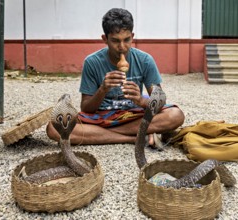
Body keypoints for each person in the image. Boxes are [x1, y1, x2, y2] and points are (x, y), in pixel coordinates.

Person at [46, 8, 185, 145]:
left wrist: (141, 100)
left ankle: (105, 135)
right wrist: (102, 90)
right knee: (53, 128)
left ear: (133, 36)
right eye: (115, 41)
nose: (122, 47)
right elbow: (86, 109)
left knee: (175, 115)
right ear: (104, 39)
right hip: (101, 118)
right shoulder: (92, 62)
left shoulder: (145, 60)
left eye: (127, 39)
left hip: (132, 116)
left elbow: (159, 102)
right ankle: (133, 138)